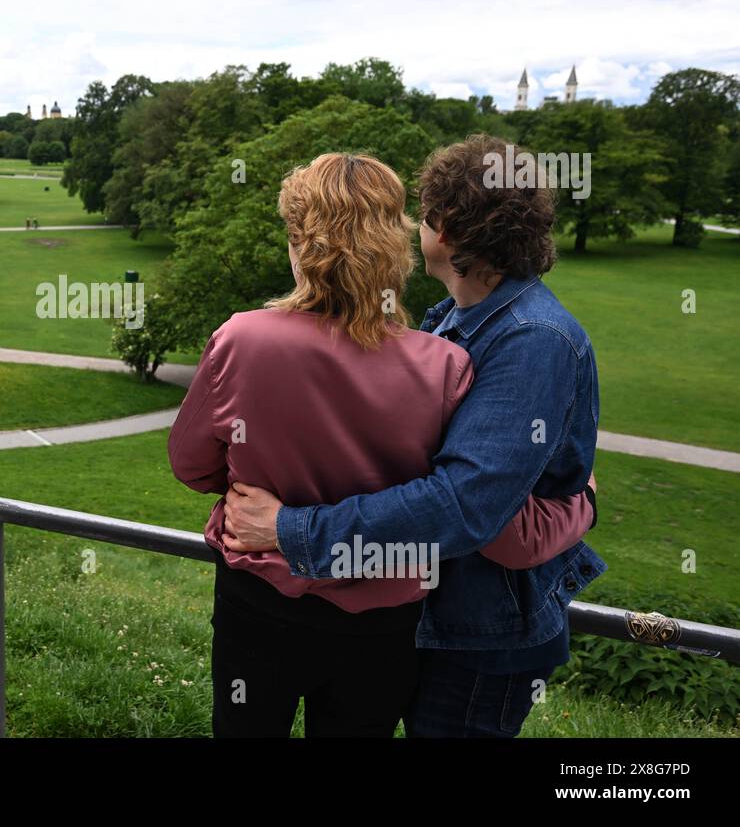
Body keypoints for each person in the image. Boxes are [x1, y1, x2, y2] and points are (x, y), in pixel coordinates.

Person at [168, 152, 594, 738]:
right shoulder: (447, 344)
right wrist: (582, 504)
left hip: (450, 629)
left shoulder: (528, 340)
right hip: (393, 616)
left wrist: (282, 517)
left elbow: (470, 507)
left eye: (421, 214)